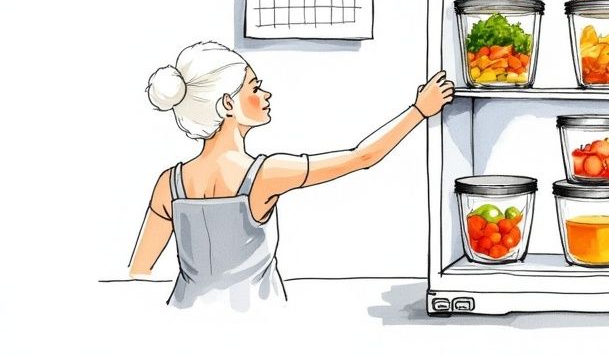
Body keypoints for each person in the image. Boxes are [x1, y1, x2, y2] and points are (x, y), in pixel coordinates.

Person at [128, 41, 454, 310]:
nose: (265, 95)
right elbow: (362, 157)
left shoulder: (169, 183)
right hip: (259, 321)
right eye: (255, 87)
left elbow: (139, 271)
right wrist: (418, 111)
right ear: (227, 104)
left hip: (184, 319)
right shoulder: (265, 174)